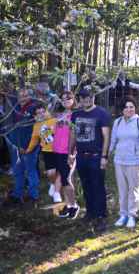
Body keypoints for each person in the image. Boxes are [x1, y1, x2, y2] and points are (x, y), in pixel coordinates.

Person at [68, 88, 112, 232]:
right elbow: (73, 134)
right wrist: (70, 152)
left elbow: (106, 137)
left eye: (90, 97)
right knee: (86, 185)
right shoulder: (76, 115)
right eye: (84, 97)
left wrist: (104, 157)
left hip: (96, 156)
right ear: (79, 99)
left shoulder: (102, 113)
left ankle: (101, 217)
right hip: (81, 156)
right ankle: (90, 212)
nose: (87, 100)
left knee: (98, 186)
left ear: (94, 97)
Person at [109, 97, 139, 228]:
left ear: (135, 108)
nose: (129, 109)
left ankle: (132, 215)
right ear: (122, 110)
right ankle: (123, 214)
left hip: (134, 160)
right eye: (126, 107)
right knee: (122, 189)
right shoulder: (117, 122)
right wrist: (106, 155)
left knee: (133, 188)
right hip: (119, 160)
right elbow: (113, 140)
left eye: (131, 107)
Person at [4, 88, 37, 206]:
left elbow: (37, 128)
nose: (23, 97)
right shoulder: (14, 107)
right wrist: (15, 145)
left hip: (30, 145)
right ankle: (17, 195)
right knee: (18, 170)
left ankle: (33, 197)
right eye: (20, 95)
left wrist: (28, 146)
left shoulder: (34, 108)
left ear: (30, 96)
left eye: (25, 95)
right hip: (15, 145)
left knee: (30, 170)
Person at [24, 104, 59, 202]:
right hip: (47, 152)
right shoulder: (36, 126)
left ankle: (57, 193)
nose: (42, 114)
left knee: (60, 172)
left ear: (47, 112)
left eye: (43, 112)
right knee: (50, 173)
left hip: (59, 151)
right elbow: (34, 140)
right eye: (38, 113)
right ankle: (53, 183)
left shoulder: (55, 121)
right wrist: (28, 150)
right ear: (34, 117)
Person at [53, 91, 80, 219]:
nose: (66, 100)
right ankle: (67, 205)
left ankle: (74, 205)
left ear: (73, 99)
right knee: (63, 179)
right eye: (63, 99)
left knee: (68, 179)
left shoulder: (75, 115)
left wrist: (71, 153)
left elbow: (74, 135)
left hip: (68, 152)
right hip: (57, 151)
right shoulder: (60, 115)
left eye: (68, 98)